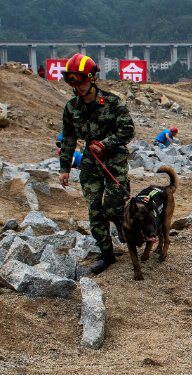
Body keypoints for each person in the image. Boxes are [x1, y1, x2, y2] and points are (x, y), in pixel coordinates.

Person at [59, 53, 135, 275]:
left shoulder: (112, 102)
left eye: (81, 81)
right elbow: (68, 139)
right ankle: (107, 255)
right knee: (95, 212)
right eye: (72, 82)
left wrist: (106, 143)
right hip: (90, 164)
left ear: (91, 79)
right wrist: (64, 168)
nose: (78, 87)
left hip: (114, 162)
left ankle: (124, 227)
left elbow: (127, 131)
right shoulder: (71, 107)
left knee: (112, 207)